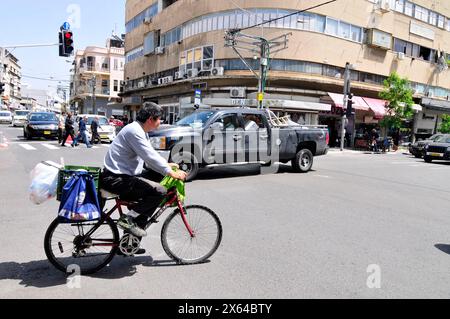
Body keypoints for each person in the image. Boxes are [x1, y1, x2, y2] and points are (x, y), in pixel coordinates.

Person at [100, 102, 187, 242]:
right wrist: (171, 172)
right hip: (116, 179)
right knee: (160, 191)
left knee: (155, 180)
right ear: (150, 119)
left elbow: (149, 155)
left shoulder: (139, 130)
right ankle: (127, 218)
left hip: (122, 176)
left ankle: (130, 241)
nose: (160, 122)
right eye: (159, 119)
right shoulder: (134, 131)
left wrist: (166, 165)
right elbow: (149, 156)